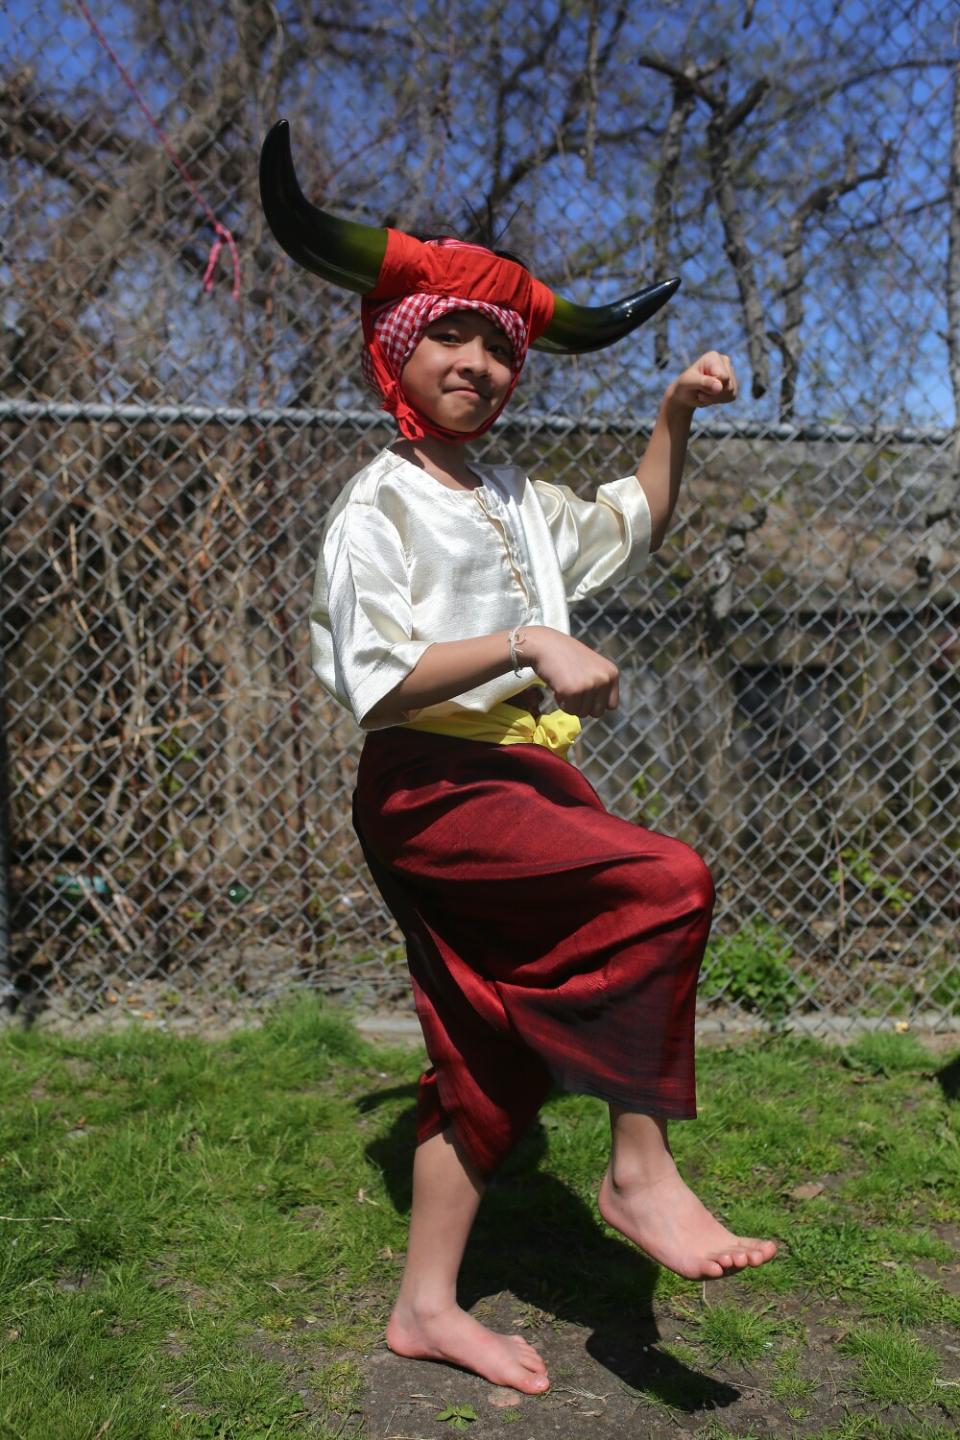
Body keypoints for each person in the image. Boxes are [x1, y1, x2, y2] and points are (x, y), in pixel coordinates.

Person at [260, 120, 777, 1397]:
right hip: (434, 786)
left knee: (486, 1062)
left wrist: (671, 414)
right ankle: (639, 1171)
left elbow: (632, 518)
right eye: (451, 335)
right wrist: (530, 643)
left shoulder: (510, 501)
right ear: (397, 349)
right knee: (661, 883)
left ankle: (426, 1310)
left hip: (529, 782)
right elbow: (378, 685)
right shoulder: (378, 503)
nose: (481, 362)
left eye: (502, 346)